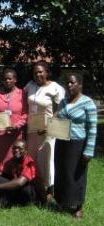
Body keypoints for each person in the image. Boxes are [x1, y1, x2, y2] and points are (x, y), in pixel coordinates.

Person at [54, 73, 97, 219]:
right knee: (61, 173)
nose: (69, 85)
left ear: (80, 84)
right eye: (67, 83)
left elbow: (92, 128)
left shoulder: (88, 103)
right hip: (61, 142)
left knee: (77, 175)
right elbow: (57, 118)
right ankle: (61, 201)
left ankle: (78, 206)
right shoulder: (63, 102)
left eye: (72, 83)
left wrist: (89, 150)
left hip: (78, 144)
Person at [0, 140, 45, 215]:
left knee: (20, 186)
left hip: (33, 195)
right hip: (18, 191)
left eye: (20, 148)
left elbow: (20, 183)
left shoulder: (30, 163)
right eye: (14, 148)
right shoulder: (11, 160)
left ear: (26, 150)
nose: (16, 150)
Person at [24, 61, 65, 198]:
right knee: (32, 156)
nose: (38, 74)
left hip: (47, 129)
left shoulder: (55, 88)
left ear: (47, 72)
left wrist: (49, 126)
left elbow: (61, 110)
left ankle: (49, 188)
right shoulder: (30, 85)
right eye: (35, 72)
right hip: (32, 128)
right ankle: (33, 183)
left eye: (41, 71)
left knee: (47, 158)